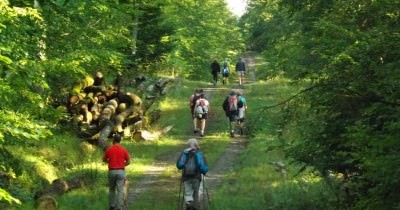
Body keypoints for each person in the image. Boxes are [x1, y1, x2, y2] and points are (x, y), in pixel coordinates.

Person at [176, 138, 208, 210]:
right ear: (197, 146)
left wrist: (184, 154)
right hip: (196, 177)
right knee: (197, 192)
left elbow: (179, 165)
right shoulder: (199, 154)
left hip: (186, 177)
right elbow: (203, 167)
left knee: (188, 192)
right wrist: (204, 172)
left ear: (188, 146)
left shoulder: (185, 153)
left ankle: (189, 204)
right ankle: (196, 206)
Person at [103, 134, 131, 210]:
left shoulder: (109, 149)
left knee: (111, 189)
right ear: (120, 140)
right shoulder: (123, 149)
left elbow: (104, 159)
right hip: (121, 171)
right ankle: (119, 207)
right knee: (120, 190)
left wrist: (109, 161)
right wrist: (123, 164)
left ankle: (112, 205)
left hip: (111, 171)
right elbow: (128, 161)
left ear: (113, 140)